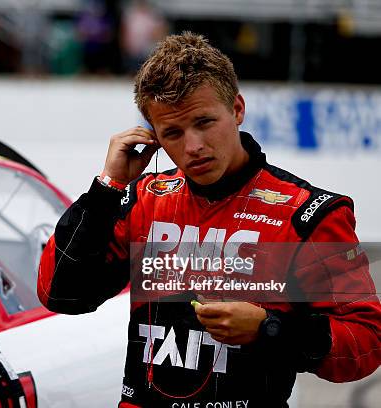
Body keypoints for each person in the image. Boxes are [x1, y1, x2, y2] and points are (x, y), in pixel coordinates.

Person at [37, 32, 381, 407]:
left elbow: (365, 344)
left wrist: (268, 329)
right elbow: (62, 294)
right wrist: (107, 188)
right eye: (173, 133)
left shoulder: (306, 214)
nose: (193, 146)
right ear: (154, 137)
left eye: (204, 122)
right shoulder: (144, 200)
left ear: (236, 109)